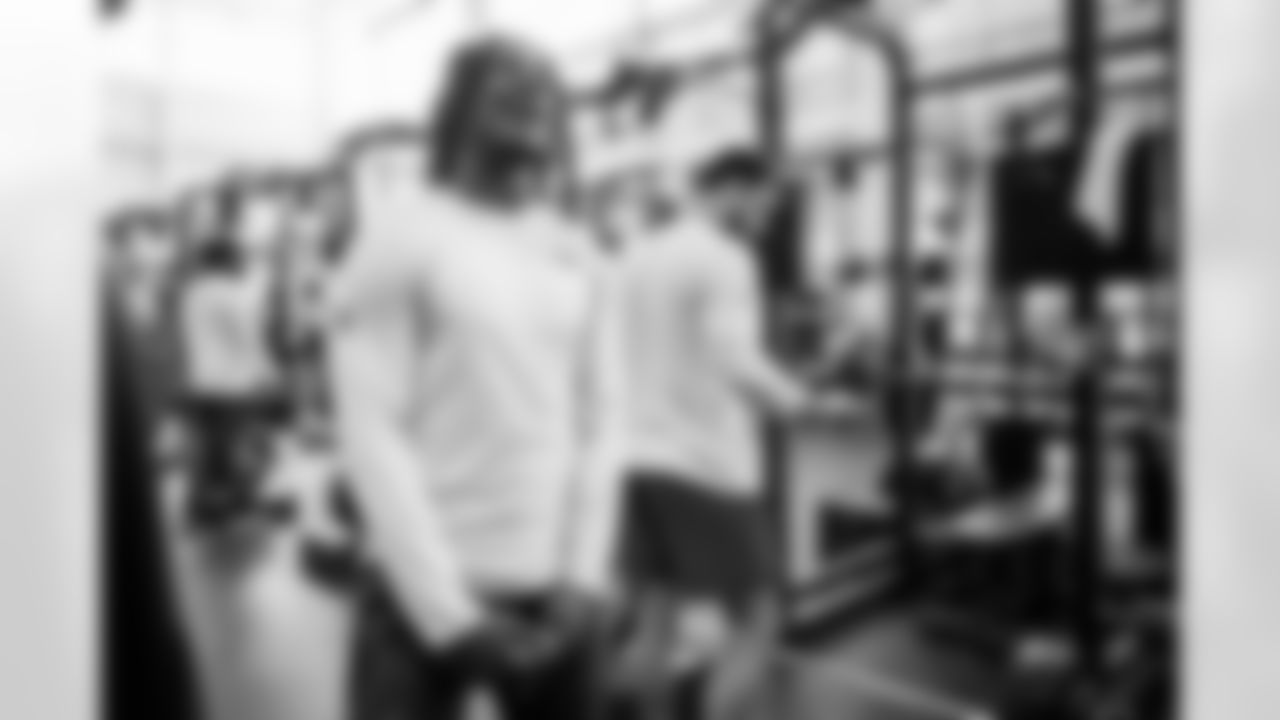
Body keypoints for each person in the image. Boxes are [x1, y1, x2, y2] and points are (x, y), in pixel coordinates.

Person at [325, 35, 624, 720]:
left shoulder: (580, 254)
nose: (530, 100)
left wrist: (583, 579)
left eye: (543, 91)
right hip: (417, 599)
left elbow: (604, 422)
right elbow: (373, 434)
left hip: (559, 595)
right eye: (506, 87)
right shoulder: (397, 239)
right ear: (457, 110)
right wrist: (451, 620)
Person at [615, 148, 855, 720]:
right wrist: (807, 404)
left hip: (635, 461)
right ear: (734, 189)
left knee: (655, 623)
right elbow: (736, 360)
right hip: (702, 468)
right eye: (766, 203)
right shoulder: (726, 258)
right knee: (758, 622)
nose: (767, 219)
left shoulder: (637, 255)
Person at [103, 209, 199, 720]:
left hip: (153, 437)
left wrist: (174, 419)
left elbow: (176, 362)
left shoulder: (165, 303)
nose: (152, 251)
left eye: (155, 239)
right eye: (140, 240)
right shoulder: (110, 305)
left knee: (157, 543)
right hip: (124, 443)